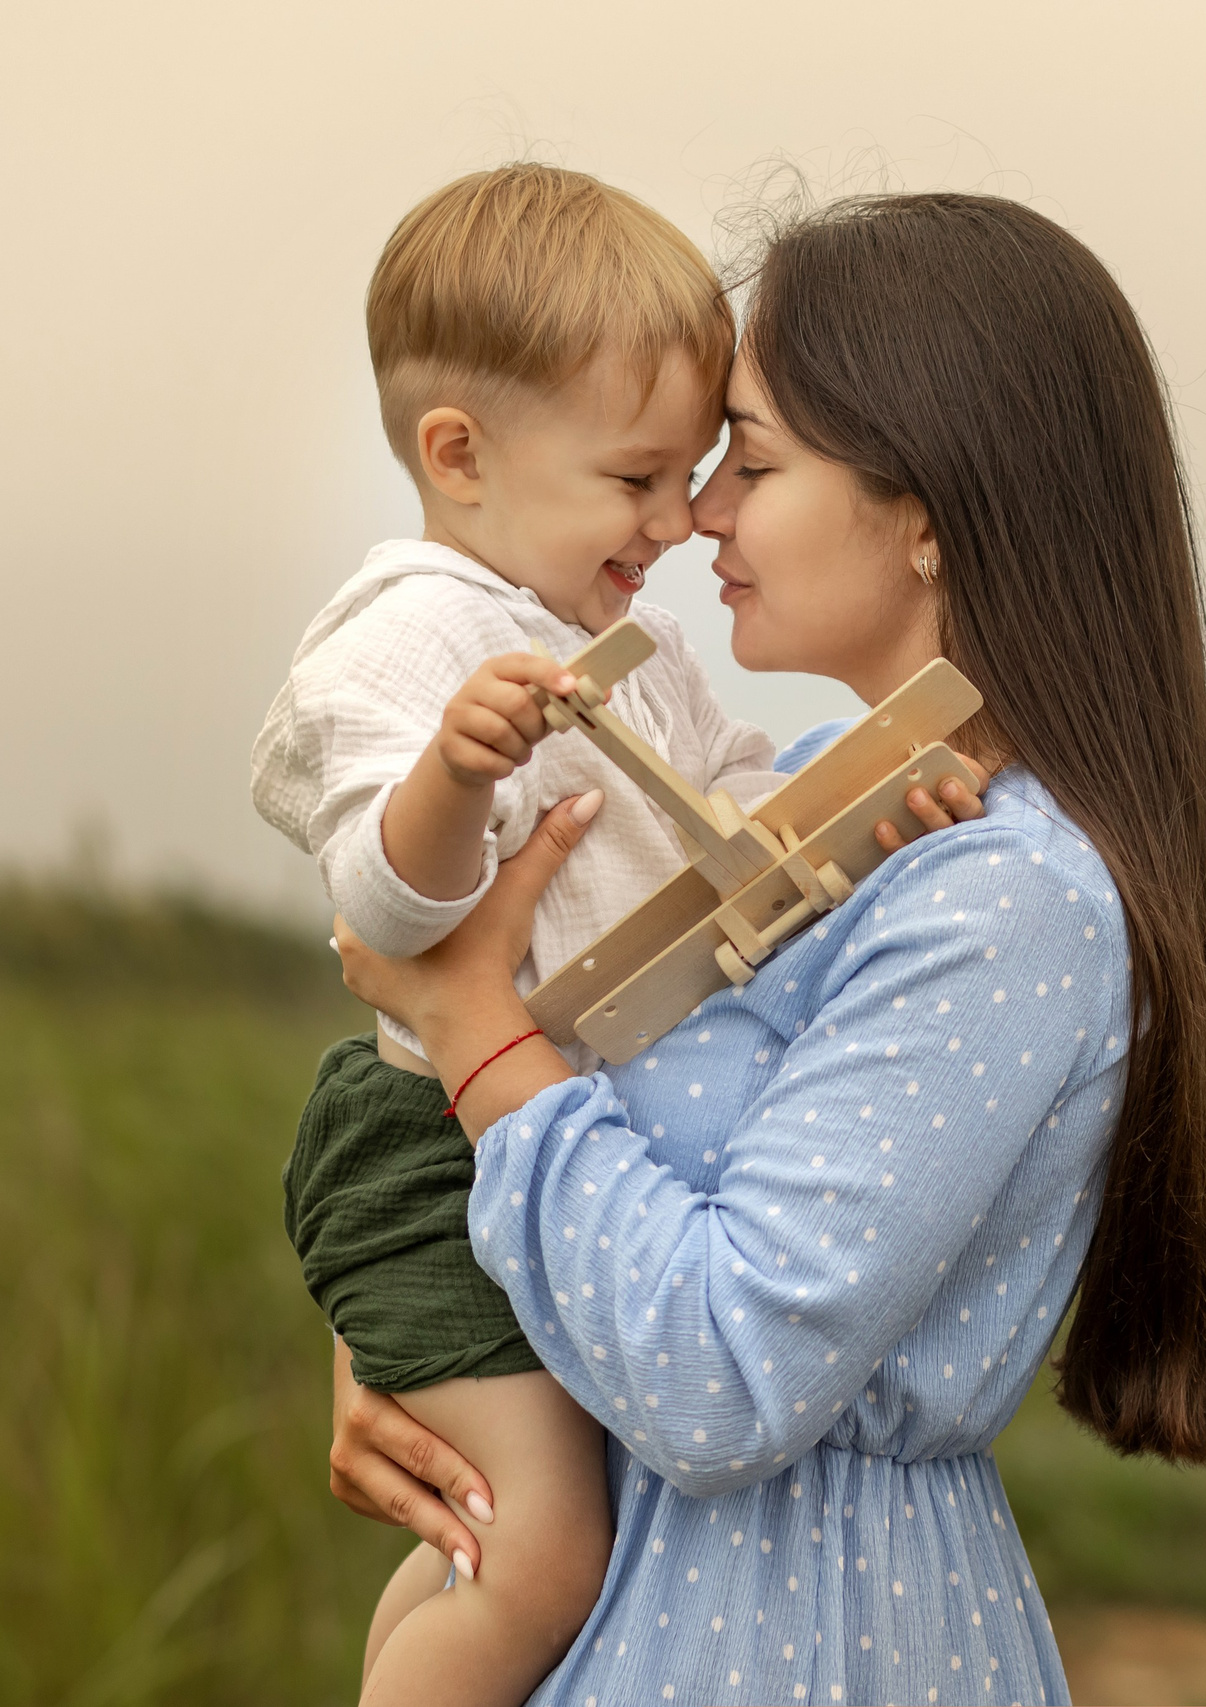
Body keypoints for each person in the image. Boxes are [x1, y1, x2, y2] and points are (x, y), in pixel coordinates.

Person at [323, 190, 1206, 1706]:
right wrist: (432, 1341)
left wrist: (471, 1033)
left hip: (793, 1637)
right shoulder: (839, 824)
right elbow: (613, 1184)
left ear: (927, 514)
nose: (698, 510)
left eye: (752, 461)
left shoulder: (1007, 897)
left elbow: (721, 1372)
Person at [251, 163, 848, 1707]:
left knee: (496, 1544)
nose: (675, 521)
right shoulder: (405, 642)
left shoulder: (604, 646)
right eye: (637, 479)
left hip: (536, 1117)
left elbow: (731, 791)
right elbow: (389, 919)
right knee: (543, 1555)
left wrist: (865, 800)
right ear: (460, 454)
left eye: (697, 475)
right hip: (432, 1148)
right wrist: (456, 774)